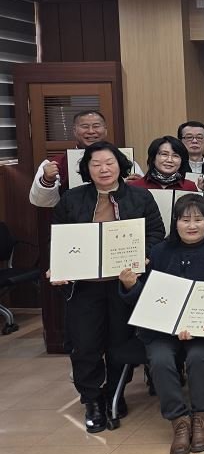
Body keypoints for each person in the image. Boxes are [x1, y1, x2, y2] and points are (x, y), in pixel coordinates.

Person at [49, 142, 165, 433]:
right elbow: (59, 240)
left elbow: (156, 233)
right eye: (96, 164)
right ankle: (92, 400)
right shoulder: (72, 199)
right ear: (86, 169)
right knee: (85, 345)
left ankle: (115, 392)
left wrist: (144, 255)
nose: (104, 169)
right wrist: (58, 266)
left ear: (120, 165)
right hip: (84, 287)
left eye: (109, 162)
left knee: (119, 342)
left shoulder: (140, 197)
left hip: (123, 284)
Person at [119, 194, 204, 454]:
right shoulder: (159, 252)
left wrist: (196, 324)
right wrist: (130, 286)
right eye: (185, 220)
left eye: (198, 219)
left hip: (201, 329)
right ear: (175, 222)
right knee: (160, 360)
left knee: (199, 357)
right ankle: (179, 421)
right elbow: (146, 298)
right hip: (161, 329)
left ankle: (200, 416)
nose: (192, 225)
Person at [29, 110, 143, 207]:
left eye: (96, 126)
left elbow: (142, 197)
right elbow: (40, 202)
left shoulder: (125, 160)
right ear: (74, 131)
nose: (91, 131)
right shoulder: (55, 163)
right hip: (73, 220)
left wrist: (138, 184)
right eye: (85, 127)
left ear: (105, 130)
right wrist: (47, 180)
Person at [128, 136, 199, 191]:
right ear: (153, 158)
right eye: (164, 154)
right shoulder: (135, 186)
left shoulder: (190, 187)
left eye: (175, 156)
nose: (169, 160)